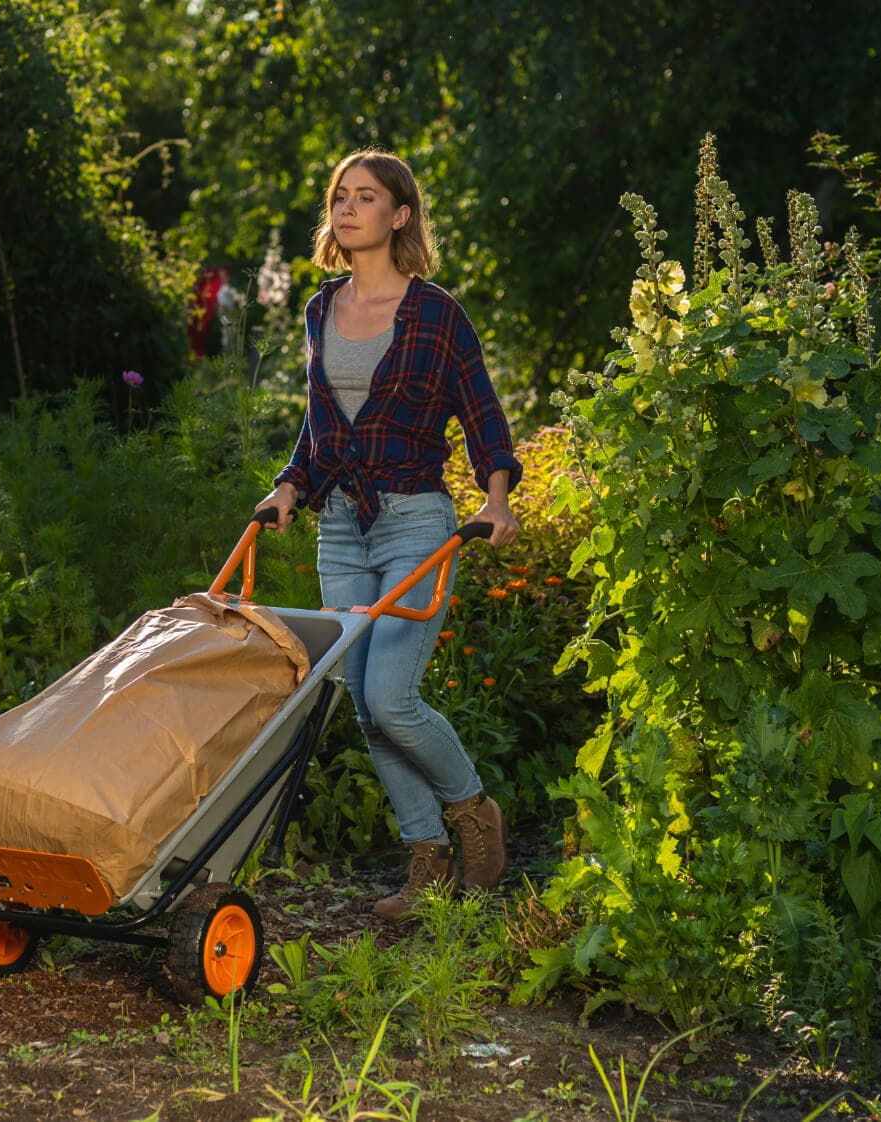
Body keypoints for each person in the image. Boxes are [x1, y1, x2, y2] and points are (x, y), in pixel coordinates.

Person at [254, 148, 524, 922]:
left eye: (365, 197)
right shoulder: (319, 309)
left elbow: (482, 414)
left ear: (399, 215)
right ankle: (426, 863)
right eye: (339, 196)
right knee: (364, 707)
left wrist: (497, 499)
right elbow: (318, 432)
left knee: (391, 696)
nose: (346, 209)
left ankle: (473, 815)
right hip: (339, 527)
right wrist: (287, 489)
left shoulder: (436, 313)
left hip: (416, 521)